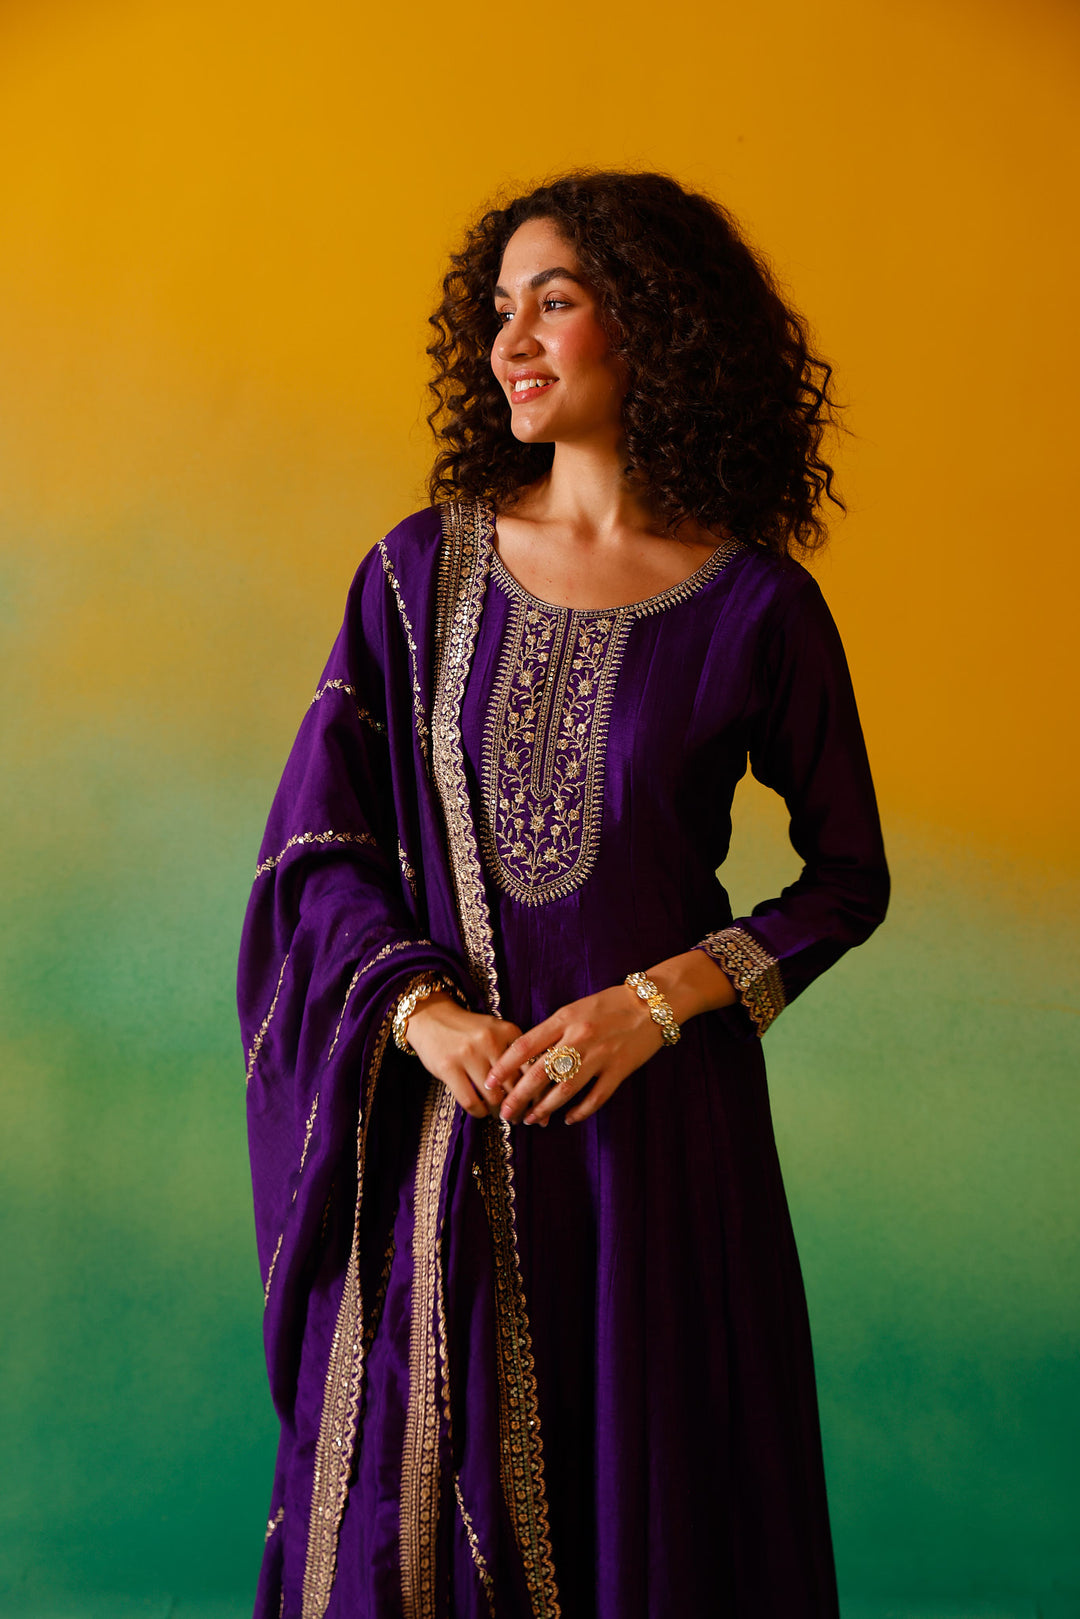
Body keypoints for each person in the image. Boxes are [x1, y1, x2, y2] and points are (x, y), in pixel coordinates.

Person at [238, 169, 889, 1619]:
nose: (511, 342)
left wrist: (652, 1006)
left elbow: (849, 879)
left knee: (650, 1507)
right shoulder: (417, 577)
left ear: (648, 324)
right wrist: (422, 1017)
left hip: (655, 1149)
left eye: (556, 301)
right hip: (442, 1140)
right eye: (497, 311)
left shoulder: (757, 608)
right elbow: (318, 849)